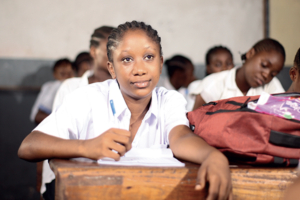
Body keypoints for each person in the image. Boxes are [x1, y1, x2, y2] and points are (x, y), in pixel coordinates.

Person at [18, 21, 232, 200]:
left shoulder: (169, 100)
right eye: (127, 59)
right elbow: (28, 147)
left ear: (160, 63)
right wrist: (86, 147)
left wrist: (212, 157)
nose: (139, 69)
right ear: (112, 68)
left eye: (149, 57)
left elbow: (181, 137)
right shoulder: (89, 98)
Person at [192, 38, 286, 111]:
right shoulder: (213, 84)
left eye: (273, 74)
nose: (266, 75)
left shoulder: (271, 86)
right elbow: (195, 124)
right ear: (250, 53)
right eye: (264, 65)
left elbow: (284, 114)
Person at [53, 26, 114, 110]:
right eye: (110, 51)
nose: (116, 56)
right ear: (93, 51)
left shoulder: (125, 88)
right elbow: (59, 122)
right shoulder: (70, 88)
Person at [30, 58, 73, 124]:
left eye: (69, 74)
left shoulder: (75, 85)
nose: (66, 77)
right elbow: (37, 116)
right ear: (54, 74)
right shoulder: (54, 86)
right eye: (62, 74)